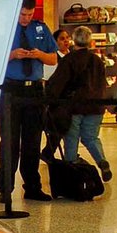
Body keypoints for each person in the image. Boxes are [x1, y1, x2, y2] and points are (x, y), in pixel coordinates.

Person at [0, 0, 57, 203]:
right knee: (10, 141)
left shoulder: (40, 28)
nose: (26, 18)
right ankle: (5, 189)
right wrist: (13, 55)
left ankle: (33, 187)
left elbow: (53, 59)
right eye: (23, 14)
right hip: (11, 89)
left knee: (32, 141)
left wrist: (39, 54)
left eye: (30, 14)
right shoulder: (4, 28)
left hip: (34, 90)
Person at [45, 26, 112, 181]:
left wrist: (49, 98)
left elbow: (58, 83)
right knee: (91, 137)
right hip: (96, 106)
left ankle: (71, 170)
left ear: (74, 40)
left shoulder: (69, 60)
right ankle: (102, 160)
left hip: (74, 106)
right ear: (90, 41)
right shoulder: (97, 60)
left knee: (71, 137)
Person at [41, 28, 73, 160]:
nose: (66, 41)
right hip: (57, 99)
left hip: (71, 98)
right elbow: (47, 80)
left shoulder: (72, 56)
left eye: (67, 38)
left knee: (70, 128)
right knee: (59, 126)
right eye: (62, 38)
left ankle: (69, 153)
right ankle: (49, 152)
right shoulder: (53, 58)